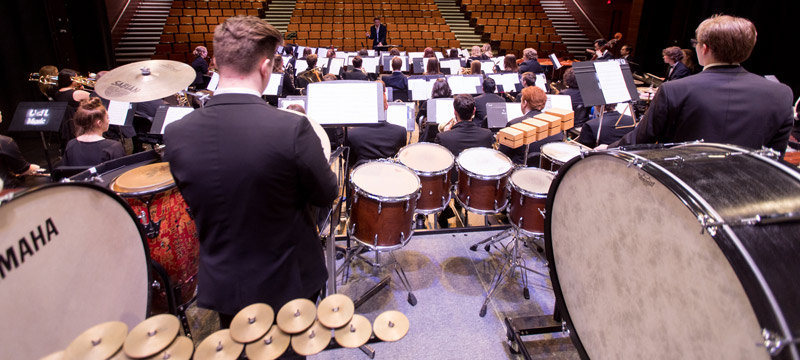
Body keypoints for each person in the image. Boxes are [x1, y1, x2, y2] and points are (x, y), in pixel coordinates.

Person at [164, 15, 338, 328]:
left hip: (225, 281)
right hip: (289, 278)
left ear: (215, 63)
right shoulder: (292, 128)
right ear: (265, 67)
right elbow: (326, 193)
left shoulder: (176, 133)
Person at [611, 15, 794, 156]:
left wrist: (602, 150)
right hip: (745, 196)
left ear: (704, 48)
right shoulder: (781, 94)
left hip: (680, 192)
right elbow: (773, 157)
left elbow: (639, 140)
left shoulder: (675, 90)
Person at [345, 81, 406, 166]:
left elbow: (350, 162)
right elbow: (400, 159)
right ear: (386, 106)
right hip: (390, 175)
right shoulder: (400, 131)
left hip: (362, 176)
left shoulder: (352, 134)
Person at [498, 86, 561, 164]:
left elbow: (503, 155)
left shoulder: (513, 124)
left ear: (525, 103)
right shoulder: (556, 124)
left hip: (519, 171)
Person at [60, 98, 126, 167]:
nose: (109, 121)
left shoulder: (71, 144)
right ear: (99, 123)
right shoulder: (113, 147)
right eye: (107, 117)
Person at [1, 111, 41, 188]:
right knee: (42, 181)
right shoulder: (5, 142)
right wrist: (37, 168)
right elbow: (23, 169)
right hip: (5, 192)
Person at [54, 69, 91, 147]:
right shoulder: (77, 94)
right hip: (81, 125)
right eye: (76, 78)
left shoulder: (58, 93)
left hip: (68, 126)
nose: (79, 80)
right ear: (71, 80)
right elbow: (96, 96)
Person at [417, 78, 452, 143]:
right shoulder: (453, 102)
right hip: (449, 133)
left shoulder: (428, 103)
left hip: (430, 136)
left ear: (434, 90)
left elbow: (418, 119)